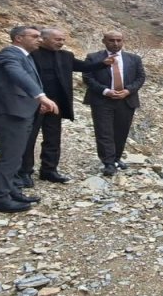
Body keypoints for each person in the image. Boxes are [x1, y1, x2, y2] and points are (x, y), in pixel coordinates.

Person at [18, 27, 111, 187]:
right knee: (29, 138)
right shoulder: (32, 55)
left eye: (63, 40)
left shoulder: (66, 56)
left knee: (53, 139)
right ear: (43, 39)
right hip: (35, 103)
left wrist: (103, 64)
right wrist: (35, 101)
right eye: (57, 39)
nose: (61, 43)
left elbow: (83, 66)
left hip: (57, 104)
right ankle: (25, 172)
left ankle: (49, 170)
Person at [0, 26, 59, 213]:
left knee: (16, 155)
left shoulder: (25, 56)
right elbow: (18, 75)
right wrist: (40, 96)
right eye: (34, 36)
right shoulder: (9, 53)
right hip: (9, 112)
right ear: (18, 38)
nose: (39, 40)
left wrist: (36, 103)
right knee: (9, 156)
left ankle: (10, 189)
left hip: (20, 111)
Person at [82, 30, 146, 177]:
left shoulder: (134, 59)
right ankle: (108, 163)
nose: (115, 43)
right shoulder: (93, 58)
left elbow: (140, 77)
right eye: (111, 40)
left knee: (121, 131)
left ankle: (117, 158)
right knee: (104, 132)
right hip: (102, 100)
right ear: (104, 41)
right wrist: (105, 91)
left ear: (123, 41)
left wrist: (128, 91)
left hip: (126, 100)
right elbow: (88, 77)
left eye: (119, 40)